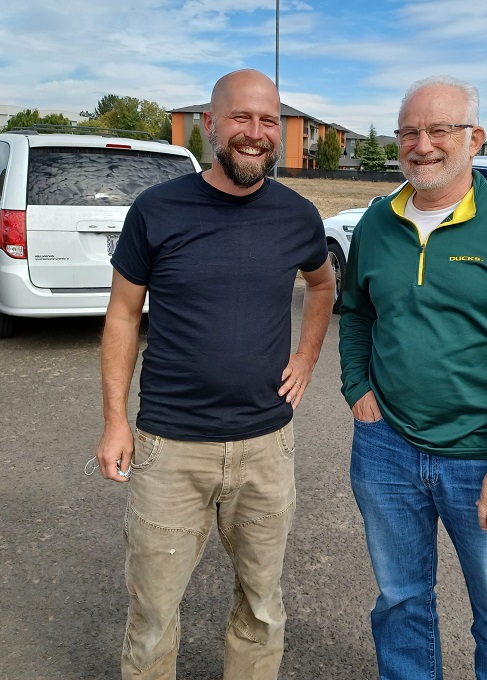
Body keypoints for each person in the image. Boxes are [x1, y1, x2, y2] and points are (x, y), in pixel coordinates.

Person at [95, 68, 335, 680]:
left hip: (265, 448)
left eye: (268, 121)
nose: (255, 133)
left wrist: (306, 358)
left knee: (261, 608)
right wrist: (115, 422)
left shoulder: (298, 216)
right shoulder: (157, 210)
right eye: (240, 118)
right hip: (169, 449)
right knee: (151, 617)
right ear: (210, 124)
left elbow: (322, 284)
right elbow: (123, 316)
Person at [339, 75, 487, 680]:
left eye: (438, 130)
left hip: (483, 459)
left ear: (474, 137)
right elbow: (357, 313)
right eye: (409, 132)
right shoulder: (377, 221)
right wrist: (357, 391)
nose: (422, 145)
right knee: (400, 601)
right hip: (386, 449)